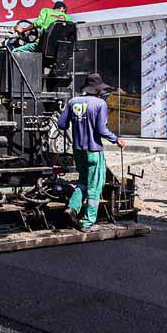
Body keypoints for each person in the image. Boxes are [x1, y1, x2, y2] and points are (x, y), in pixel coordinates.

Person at [56, 73, 125, 232]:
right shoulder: (100, 104)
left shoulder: (73, 102)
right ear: (98, 89)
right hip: (94, 150)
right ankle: (87, 223)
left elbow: (61, 124)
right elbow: (101, 129)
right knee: (95, 186)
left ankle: (72, 208)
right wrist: (116, 139)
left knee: (82, 182)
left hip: (78, 151)